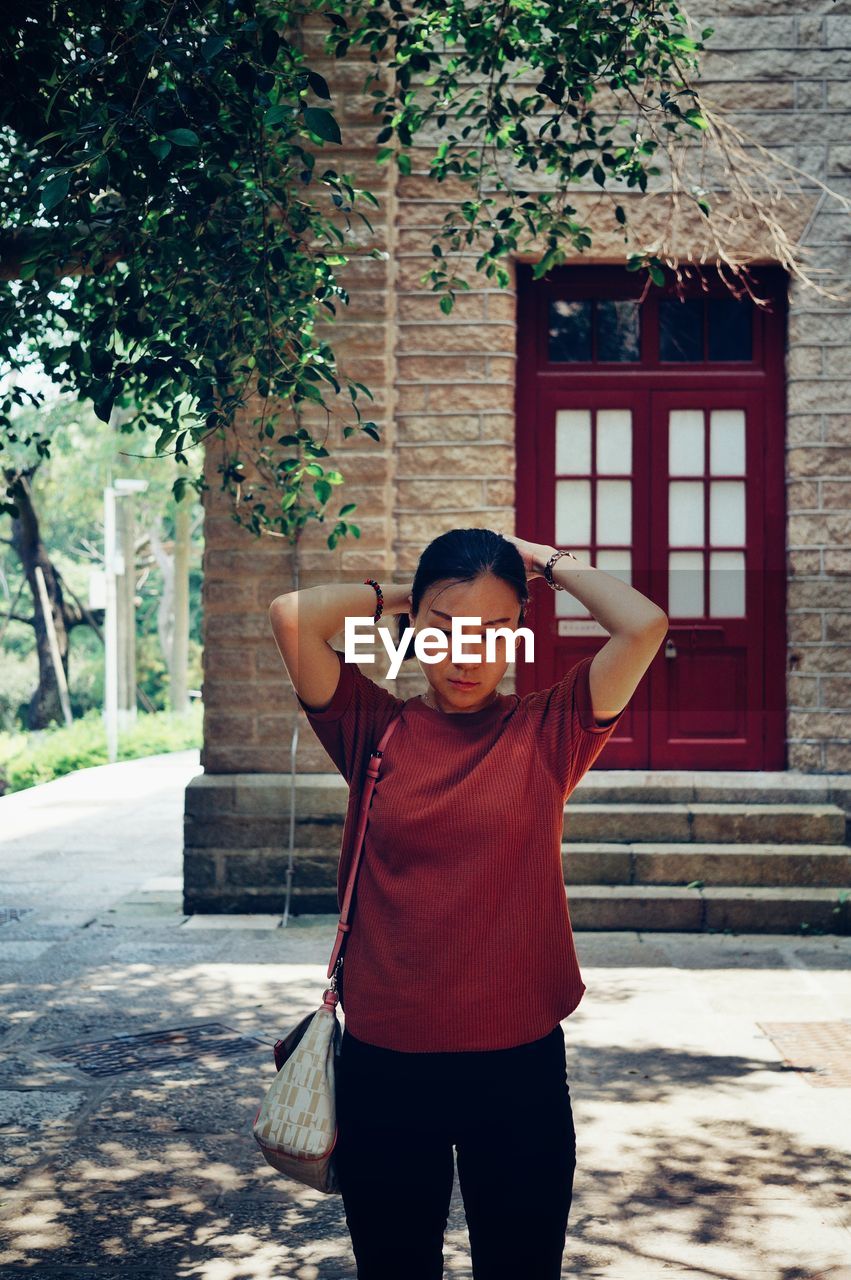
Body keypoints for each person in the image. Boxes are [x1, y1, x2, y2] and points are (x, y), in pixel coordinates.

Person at [268, 528, 668, 1280]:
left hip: (516, 1070)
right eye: (445, 630)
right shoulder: (372, 728)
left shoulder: (550, 731)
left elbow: (642, 624)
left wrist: (545, 563)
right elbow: (293, 616)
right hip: (386, 1070)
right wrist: (405, 592)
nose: (466, 652)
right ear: (414, 630)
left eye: (491, 632)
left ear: (517, 637)